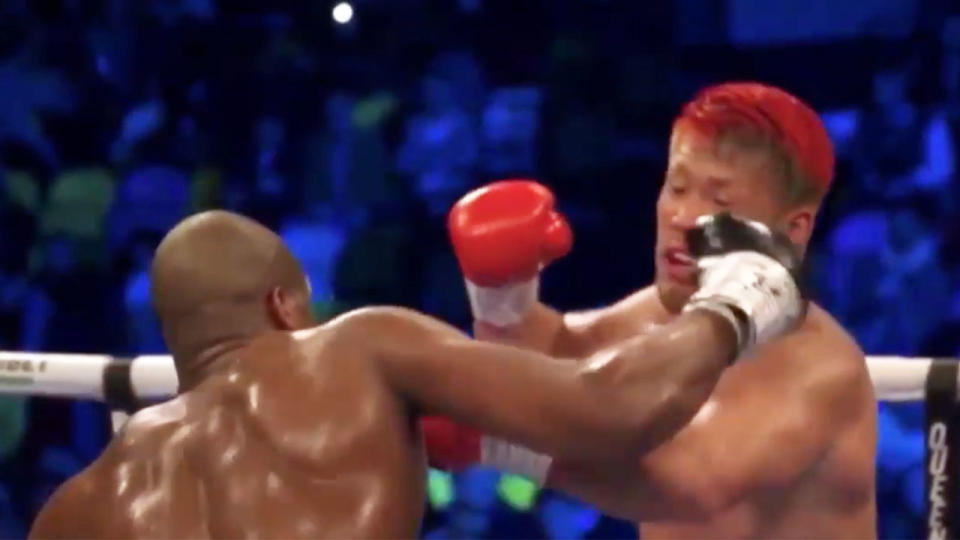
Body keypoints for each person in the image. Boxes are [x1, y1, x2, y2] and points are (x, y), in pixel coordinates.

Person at [30, 207, 805, 538]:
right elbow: (611, 410)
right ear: (283, 304)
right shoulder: (354, 347)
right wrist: (741, 293)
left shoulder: (76, 506)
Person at [428, 82, 877, 538]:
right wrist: (503, 295)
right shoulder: (661, 315)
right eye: (677, 187)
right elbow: (548, 357)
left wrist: (499, 442)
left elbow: (688, 485)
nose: (683, 216)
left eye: (719, 201)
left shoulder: (822, 370)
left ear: (793, 229)